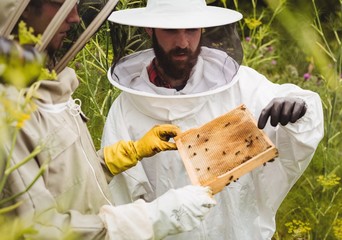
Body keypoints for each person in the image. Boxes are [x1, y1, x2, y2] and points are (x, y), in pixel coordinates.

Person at [101, 0, 324, 239]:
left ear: (202, 29)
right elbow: (119, 202)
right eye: (171, 30)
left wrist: (299, 108)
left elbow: (300, 114)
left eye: (191, 29)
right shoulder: (127, 109)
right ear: (150, 29)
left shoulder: (239, 84)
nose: (183, 42)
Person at [0, 0, 216, 239]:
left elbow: (62, 180)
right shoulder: (6, 114)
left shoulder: (49, 87)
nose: (75, 18)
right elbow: (38, 230)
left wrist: (127, 154)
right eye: (60, 4)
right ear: (23, 9)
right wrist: (154, 217)